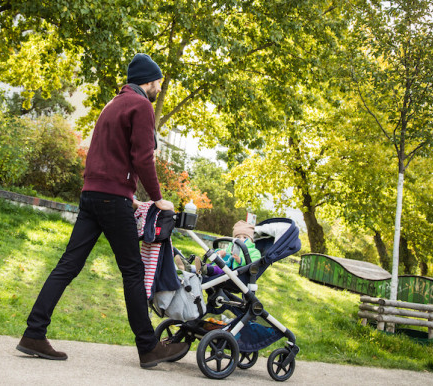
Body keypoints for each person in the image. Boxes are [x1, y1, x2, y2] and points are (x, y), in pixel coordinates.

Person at [17, 53, 189, 368]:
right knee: (134, 271)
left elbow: (106, 153)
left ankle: (33, 332)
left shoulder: (112, 105)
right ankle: (148, 347)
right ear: (148, 80)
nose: (159, 88)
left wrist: (129, 195)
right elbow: (143, 157)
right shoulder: (142, 105)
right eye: (158, 82)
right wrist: (157, 197)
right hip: (112, 200)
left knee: (68, 265)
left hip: (92, 194)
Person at [175, 220, 261, 276]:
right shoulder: (232, 246)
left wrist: (240, 261)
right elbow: (226, 254)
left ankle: (202, 269)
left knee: (216, 269)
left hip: (235, 273)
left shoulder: (254, 251)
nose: (241, 239)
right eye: (238, 237)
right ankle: (189, 267)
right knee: (209, 265)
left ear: (251, 240)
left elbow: (254, 263)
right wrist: (220, 253)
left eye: (245, 237)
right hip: (225, 267)